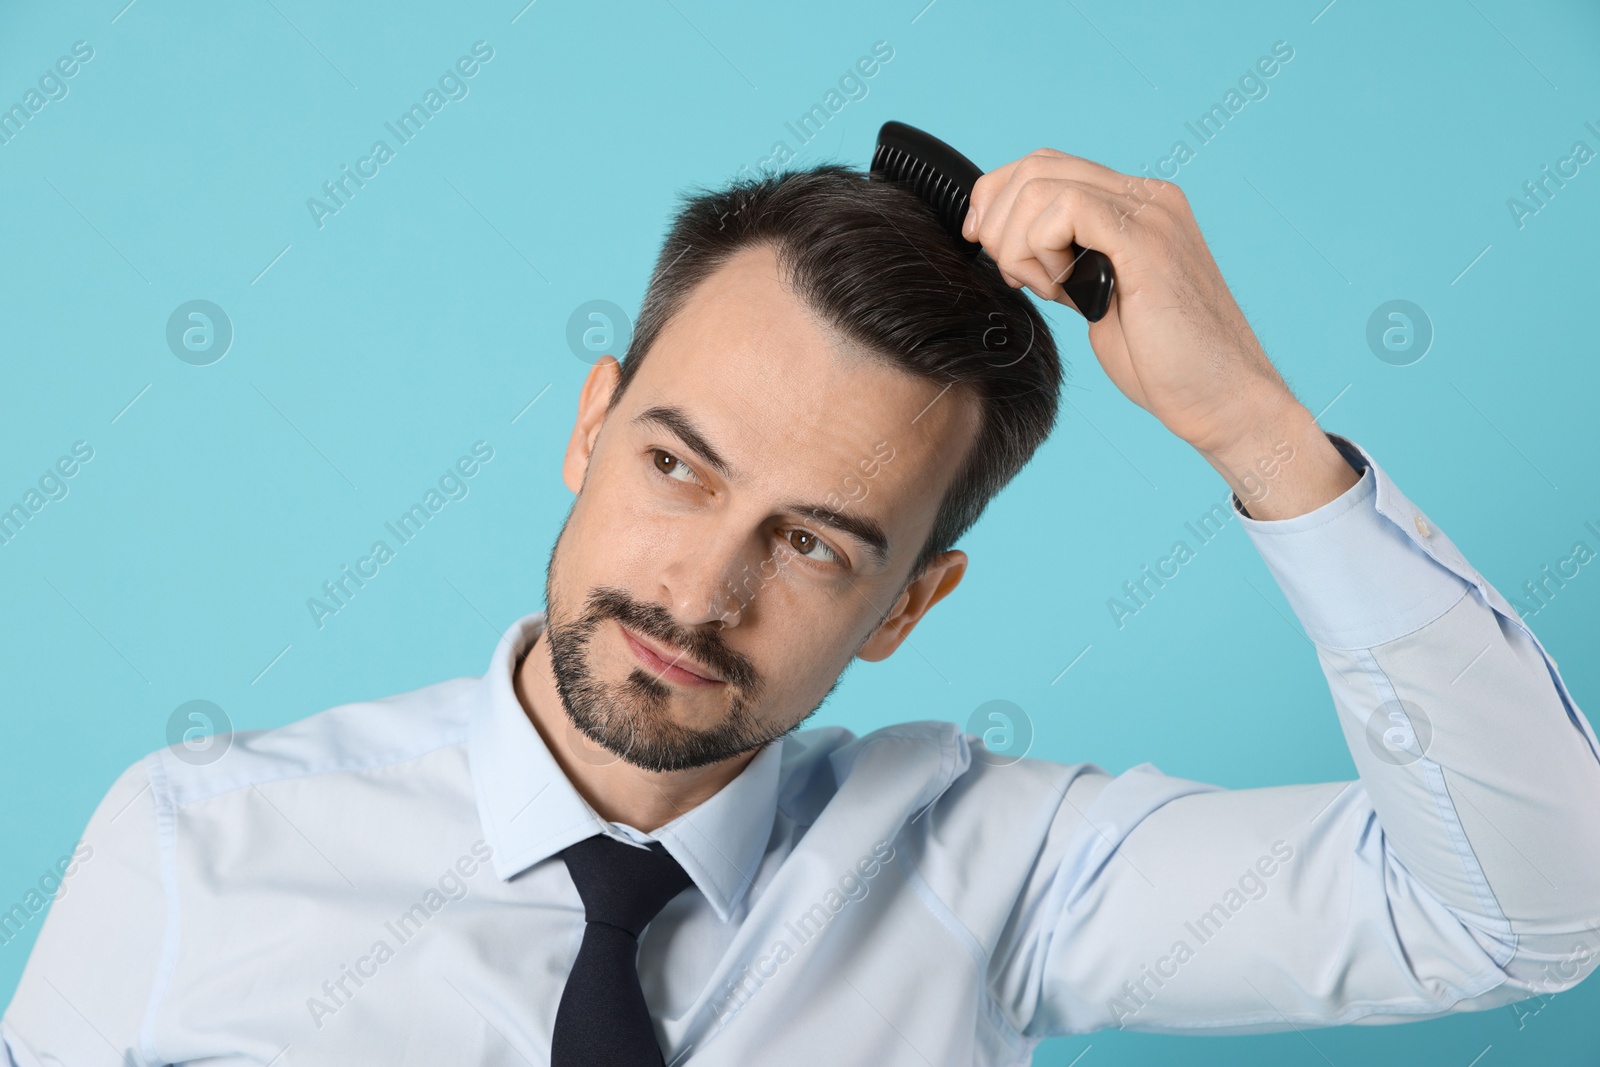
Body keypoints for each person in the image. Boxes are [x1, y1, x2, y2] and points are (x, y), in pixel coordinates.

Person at [4, 148, 1598, 1067]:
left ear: (912, 604)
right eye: (679, 467)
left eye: (819, 546)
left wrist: (1259, 431)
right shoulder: (193, 850)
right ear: (588, 424)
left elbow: (1522, 914)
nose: (701, 592)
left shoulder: (995, 871)